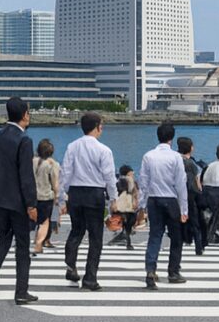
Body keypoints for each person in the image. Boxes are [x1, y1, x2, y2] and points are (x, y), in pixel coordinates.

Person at [0, 97, 39, 307]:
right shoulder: (24, 140)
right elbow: (26, 175)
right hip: (17, 202)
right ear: (25, 114)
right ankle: (21, 291)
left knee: (4, 239)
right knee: (22, 246)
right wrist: (31, 204)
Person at [56, 113, 115, 291]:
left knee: (76, 230)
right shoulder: (104, 150)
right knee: (95, 237)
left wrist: (62, 197)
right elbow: (109, 177)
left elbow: (65, 173)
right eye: (101, 125)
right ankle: (90, 278)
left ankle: (71, 263)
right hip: (95, 193)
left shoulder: (72, 146)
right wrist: (113, 198)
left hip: (75, 193)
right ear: (97, 127)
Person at [137, 122, 189, 290]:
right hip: (171, 199)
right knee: (176, 237)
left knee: (155, 236)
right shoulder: (176, 157)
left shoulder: (148, 156)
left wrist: (142, 205)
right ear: (171, 138)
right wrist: (184, 209)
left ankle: (150, 270)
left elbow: (143, 182)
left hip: (153, 200)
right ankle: (173, 272)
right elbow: (181, 184)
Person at [31, 139, 61, 256]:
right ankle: (39, 244)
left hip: (32, 196)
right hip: (46, 196)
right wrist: (57, 197)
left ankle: (34, 239)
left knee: (33, 220)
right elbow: (55, 183)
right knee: (44, 222)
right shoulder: (52, 164)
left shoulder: (32, 161)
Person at [178, 137, 207, 256]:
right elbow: (197, 181)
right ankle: (198, 247)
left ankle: (180, 243)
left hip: (177, 193)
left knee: (178, 221)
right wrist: (200, 191)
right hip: (191, 194)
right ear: (190, 148)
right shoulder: (191, 163)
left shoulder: (176, 160)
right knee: (195, 222)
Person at [110, 166, 139, 249]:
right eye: (131, 172)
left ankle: (124, 236)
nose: (133, 174)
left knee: (124, 222)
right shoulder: (131, 182)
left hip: (121, 204)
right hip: (128, 204)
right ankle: (126, 239)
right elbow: (135, 193)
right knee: (128, 224)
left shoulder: (118, 181)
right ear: (128, 173)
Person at [202, 146, 219, 244]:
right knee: (218, 216)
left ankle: (209, 234)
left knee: (210, 216)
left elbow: (201, 179)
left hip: (207, 191)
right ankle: (212, 234)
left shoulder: (209, 165)